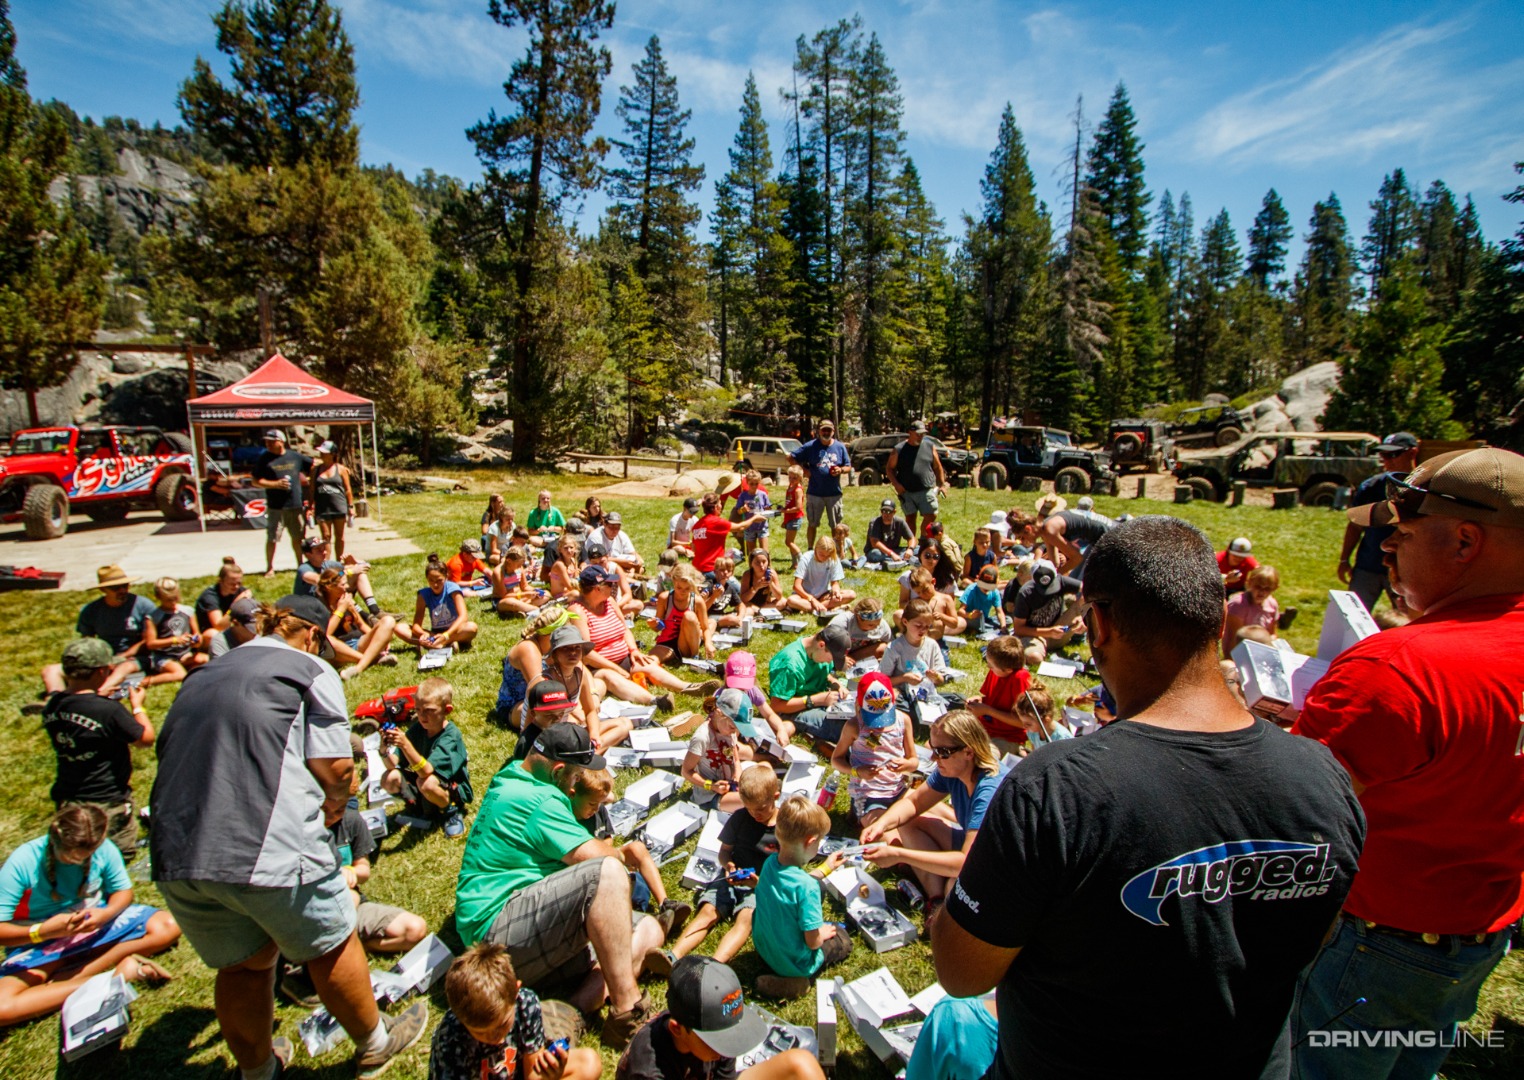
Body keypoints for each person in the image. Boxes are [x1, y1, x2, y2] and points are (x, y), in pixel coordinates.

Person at [932, 516, 1365, 1080]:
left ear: (1101, 624)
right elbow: (1320, 932)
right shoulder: (1326, 778)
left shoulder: (1053, 789)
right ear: (1217, 619)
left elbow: (962, 972)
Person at [1292, 446, 1524, 1080]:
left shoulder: (1400, 668)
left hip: (1365, 942)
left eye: (1404, 531)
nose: (1386, 549)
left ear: (1466, 541)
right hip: (1475, 941)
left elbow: (1281, 814)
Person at [151, 593, 431, 1080]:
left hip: (178, 847)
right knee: (331, 940)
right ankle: (375, 1043)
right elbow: (338, 765)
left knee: (243, 964)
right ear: (316, 635)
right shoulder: (306, 668)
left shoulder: (207, 672)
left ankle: (257, 1072)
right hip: (264, 840)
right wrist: (333, 809)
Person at [453, 724, 667, 1048]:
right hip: (494, 938)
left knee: (650, 929)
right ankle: (626, 1013)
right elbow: (600, 859)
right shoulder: (542, 801)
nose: (575, 784)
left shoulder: (512, 774)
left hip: (513, 921)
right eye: (575, 776)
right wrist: (622, 853)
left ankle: (571, 1009)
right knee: (607, 873)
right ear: (557, 771)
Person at [0, 806, 181, 1026]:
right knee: (3, 1007)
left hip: (94, 928)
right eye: (69, 858)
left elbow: (123, 892)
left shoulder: (104, 849)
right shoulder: (22, 862)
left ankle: (67, 978)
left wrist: (105, 914)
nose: (77, 862)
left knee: (168, 925)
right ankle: (117, 976)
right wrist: (43, 931)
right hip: (40, 941)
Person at [861, 710, 997, 911]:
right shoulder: (953, 768)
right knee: (908, 820)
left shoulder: (989, 790)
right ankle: (935, 899)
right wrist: (881, 824)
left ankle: (941, 896)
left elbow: (965, 862)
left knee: (955, 888)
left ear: (968, 752)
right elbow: (915, 802)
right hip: (975, 849)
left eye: (942, 752)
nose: (934, 758)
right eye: (933, 749)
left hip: (995, 866)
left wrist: (900, 854)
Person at [616, 956, 825, 1080]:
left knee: (800, 1062)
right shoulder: (648, 1072)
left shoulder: (714, 1025)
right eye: (717, 1041)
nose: (727, 1049)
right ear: (677, 1029)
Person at [42, 639, 156, 858]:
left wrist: (97, 698)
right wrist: (137, 706)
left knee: (75, 846)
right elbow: (145, 739)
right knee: (119, 853)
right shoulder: (108, 711)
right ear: (102, 671)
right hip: (107, 796)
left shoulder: (54, 704)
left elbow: (81, 711)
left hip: (68, 795)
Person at [430, 941, 602, 1080]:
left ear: (516, 991)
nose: (494, 1038)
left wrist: (550, 1075)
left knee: (589, 1063)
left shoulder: (526, 1004)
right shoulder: (451, 1036)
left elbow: (532, 1074)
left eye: (501, 1025)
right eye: (480, 1033)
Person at [669, 766, 781, 963]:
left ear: (776, 796)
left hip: (761, 885)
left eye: (761, 809)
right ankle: (672, 955)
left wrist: (758, 883)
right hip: (732, 877)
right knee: (708, 911)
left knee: (746, 918)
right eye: (749, 808)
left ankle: (715, 964)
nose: (755, 814)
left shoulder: (785, 827)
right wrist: (729, 866)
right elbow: (724, 851)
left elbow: (786, 871)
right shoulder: (740, 818)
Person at [568, 565, 714, 708]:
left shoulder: (610, 602)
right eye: (609, 584)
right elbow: (586, 654)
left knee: (647, 664)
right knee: (610, 676)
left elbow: (624, 629)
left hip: (624, 659)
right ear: (597, 589)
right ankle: (656, 701)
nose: (613, 587)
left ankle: (688, 687)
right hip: (598, 667)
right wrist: (615, 668)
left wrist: (634, 650)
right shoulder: (578, 611)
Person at [751, 795, 850, 1000]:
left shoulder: (770, 863)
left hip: (765, 948)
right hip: (794, 961)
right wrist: (821, 932)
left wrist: (826, 868)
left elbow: (792, 884)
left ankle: (780, 974)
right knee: (842, 939)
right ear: (811, 842)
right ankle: (796, 982)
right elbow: (813, 943)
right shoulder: (807, 888)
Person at [39, 565, 156, 699]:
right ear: (102, 589)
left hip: (135, 658)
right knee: (51, 670)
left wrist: (122, 657)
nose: (122, 590)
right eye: (115, 588)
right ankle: (54, 701)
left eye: (125, 585)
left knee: (124, 668)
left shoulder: (143, 606)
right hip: (102, 658)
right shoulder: (91, 611)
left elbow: (147, 641)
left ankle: (97, 695)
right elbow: (86, 642)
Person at [1338, 431, 1421, 613]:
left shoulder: (1423, 488)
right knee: (1352, 615)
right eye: (1383, 454)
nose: (1387, 460)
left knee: (1407, 618)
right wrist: (1344, 559)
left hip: (1407, 569)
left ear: (1413, 453)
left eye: (1393, 454)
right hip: (1368, 564)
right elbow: (1355, 525)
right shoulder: (1370, 487)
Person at [380, 677, 474, 837]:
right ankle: (419, 808)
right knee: (389, 778)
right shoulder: (418, 729)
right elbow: (392, 764)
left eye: (429, 710)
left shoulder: (450, 736)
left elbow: (427, 771)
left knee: (426, 783)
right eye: (418, 710)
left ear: (447, 710)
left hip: (449, 788)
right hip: (423, 782)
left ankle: (450, 812)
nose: (422, 716)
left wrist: (405, 744)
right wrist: (383, 749)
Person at [831, 673, 917, 830]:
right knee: (883, 831)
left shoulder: (903, 720)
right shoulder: (855, 726)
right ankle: (859, 815)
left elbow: (914, 761)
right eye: (873, 718)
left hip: (898, 789)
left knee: (924, 818)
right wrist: (856, 772)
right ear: (859, 704)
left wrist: (905, 764)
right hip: (868, 794)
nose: (878, 725)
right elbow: (836, 759)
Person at [765, 622, 851, 746]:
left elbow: (825, 672)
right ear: (822, 645)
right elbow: (776, 706)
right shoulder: (790, 664)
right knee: (842, 728)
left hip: (821, 699)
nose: (830, 662)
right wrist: (815, 700)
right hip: (794, 709)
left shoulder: (815, 651)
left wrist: (835, 683)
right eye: (831, 658)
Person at [681, 692, 756, 815]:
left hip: (731, 783)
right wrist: (711, 786)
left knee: (765, 769)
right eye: (733, 727)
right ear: (719, 713)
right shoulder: (702, 738)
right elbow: (686, 771)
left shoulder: (728, 729)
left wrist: (737, 769)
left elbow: (734, 752)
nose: (735, 731)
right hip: (710, 795)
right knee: (751, 801)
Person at [253, 429, 313, 578]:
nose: (268, 444)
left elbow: (313, 466)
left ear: (281, 441)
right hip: (276, 507)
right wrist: (275, 484)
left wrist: (313, 481)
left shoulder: (295, 457)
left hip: (295, 505)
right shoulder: (264, 459)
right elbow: (255, 481)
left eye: (271, 441)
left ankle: (300, 565)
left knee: (298, 538)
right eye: (266, 441)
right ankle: (269, 568)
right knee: (272, 538)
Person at [1002, 558, 1083, 668]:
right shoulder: (1025, 593)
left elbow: (1089, 590)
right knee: (1034, 658)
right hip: (1035, 636)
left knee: (1090, 601)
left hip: (1061, 630)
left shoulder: (1062, 581)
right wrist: (1048, 632)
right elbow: (1019, 629)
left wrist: (1084, 618)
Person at [395, 554, 480, 651]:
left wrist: (446, 635)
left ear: (446, 577)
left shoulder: (453, 589)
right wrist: (422, 634)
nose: (435, 584)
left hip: (454, 630)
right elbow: (416, 625)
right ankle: (439, 643)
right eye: (431, 581)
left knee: (472, 627)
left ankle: (439, 643)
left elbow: (463, 617)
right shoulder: (423, 595)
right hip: (435, 633)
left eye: (439, 580)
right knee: (399, 628)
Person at [790, 419, 852, 550]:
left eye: (829, 430)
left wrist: (840, 470)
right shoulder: (810, 446)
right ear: (819, 431)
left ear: (833, 431)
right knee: (812, 524)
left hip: (834, 493)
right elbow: (791, 457)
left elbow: (848, 466)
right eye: (823, 430)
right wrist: (804, 471)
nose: (826, 432)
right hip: (815, 493)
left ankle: (836, 550)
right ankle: (810, 549)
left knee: (835, 525)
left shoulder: (839, 447)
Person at [964, 635, 1034, 751]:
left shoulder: (1020, 679)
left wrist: (987, 710)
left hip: (1007, 737)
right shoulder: (997, 672)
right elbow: (990, 699)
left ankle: (1019, 752)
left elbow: (1023, 722)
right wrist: (978, 701)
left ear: (1008, 670)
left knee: (982, 757)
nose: (988, 667)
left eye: (991, 666)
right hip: (984, 728)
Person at [887, 420, 948, 540]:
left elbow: (937, 467)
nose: (920, 436)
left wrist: (942, 484)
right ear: (910, 432)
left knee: (931, 514)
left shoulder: (929, 446)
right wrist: (896, 485)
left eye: (923, 434)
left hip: (926, 489)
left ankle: (923, 539)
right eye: (918, 433)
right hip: (906, 491)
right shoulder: (899, 449)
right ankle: (912, 543)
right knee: (910, 518)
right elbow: (889, 469)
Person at [141, 575, 203, 686]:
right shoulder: (153, 617)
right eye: (169, 600)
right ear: (158, 597)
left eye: (176, 598)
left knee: (209, 661)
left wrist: (196, 641)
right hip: (164, 656)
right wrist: (175, 640)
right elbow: (150, 644)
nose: (173, 602)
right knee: (180, 675)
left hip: (185, 654)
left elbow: (197, 634)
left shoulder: (187, 611)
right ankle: (145, 682)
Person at [650, 564, 716, 663]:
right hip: (668, 641)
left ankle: (695, 655)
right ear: (673, 581)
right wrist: (653, 625)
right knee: (648, 661)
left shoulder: (697, 601)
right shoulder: (664, 598)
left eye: (687, 588)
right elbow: (658, 627)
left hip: (688, 642)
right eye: (679, 587)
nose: (683, 592)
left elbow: (705, 627)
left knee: (689, 616)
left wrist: (708, 643)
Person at [692, 493, 767, 576]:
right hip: (713, 569)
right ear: (716, 507)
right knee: (738, 589)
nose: (721, 506)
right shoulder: (716, 522)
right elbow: (740, 527)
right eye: (720, 503)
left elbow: (694, 548)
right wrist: (754, 518)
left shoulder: (697, 525)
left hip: (697, 569)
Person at [1037, 500, 1114, 577]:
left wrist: (1055, 575)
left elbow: (1077, 558)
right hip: (1098, 539)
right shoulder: (1051, 526)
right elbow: (1055, 562)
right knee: (1076, 578)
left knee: (1085, 580)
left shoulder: (1051, 529)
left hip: (1111, 539)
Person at [1221, 565, 1281, 657]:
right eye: (1258, 587)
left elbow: (1272, 634)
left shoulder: (1272, 604)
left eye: (1267, 589)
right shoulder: (1239, 605)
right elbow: (1233, 640)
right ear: (1249, 583)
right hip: (1241, 652)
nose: (1262, 592)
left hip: (1263, 652)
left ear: (1275, 588)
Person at [786, 536, 855, 613]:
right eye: (822, 554)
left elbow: (835, 583)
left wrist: (836, 590)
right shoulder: (806, 558)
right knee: (791, 600)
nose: (824, 558)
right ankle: (826, 607)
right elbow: (796, 586)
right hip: (804, 596)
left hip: (823, 594)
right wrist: (811, 599)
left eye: (828, 555)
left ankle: (812, 608)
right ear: (816, 549)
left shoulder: (833, 559)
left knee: (851, 594)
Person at [313, 440, 356, 558]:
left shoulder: (341, 469)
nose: (322, 454)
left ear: (333, 454)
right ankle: (327, 561)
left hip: (338, 506)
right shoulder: (315, 470)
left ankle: (339, 559)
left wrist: (350, 506)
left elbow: (348, 489)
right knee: (326, 535)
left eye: (325, 452)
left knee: (339, 535)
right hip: (322, 507)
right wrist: (310, 506)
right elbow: (312, 489)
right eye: (321, 452)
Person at [196, 557, 250, 638]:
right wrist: (236, 605)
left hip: (233, 630)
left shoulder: (241, 591)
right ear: (220, 581)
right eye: (232, 584)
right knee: (212, 634)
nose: (236, 586)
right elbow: (218, 626)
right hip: (211, 636)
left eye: (239, 583)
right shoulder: (209, 597)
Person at [830, 596, 892, 662]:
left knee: (883, 648)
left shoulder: (882, 626)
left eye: (878, 623)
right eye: (870, 625)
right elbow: (825, 641)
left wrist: (885, 657)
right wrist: (841, 657)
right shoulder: (842, 622)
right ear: (859, 617)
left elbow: (891, 644)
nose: (876, 627)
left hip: (859, 653)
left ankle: (852, 661)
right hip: (839, 652)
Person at [957, 565, 1006, 635]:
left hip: (984, 618)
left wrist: (1003, 626)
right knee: (977, 623)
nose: (986, 589)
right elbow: (960, 611)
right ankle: (986, 628)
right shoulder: (971, 589)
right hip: (970, 618)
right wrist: (970, 615)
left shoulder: (995, 592)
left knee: (1007, 619)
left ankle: (988, 628)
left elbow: (999, 612)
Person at [593, 512, 644, 576]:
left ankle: (630, 578)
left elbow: (633, 553)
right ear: (604, 524)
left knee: (640, 568)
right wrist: (625, 563)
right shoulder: (596, 537)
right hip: (600, 567)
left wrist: (639, 561)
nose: (614, 530)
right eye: (611, 527)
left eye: (617, 528)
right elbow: (599, 560)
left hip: (619, 565)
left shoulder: (621, 535)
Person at [736, 550, 782, 620]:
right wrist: (756, 587)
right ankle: (763, 612)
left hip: (765, 604)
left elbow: (779, 597)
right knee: (745, 607)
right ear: (751, 564)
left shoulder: (771, 573)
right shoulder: (747, 575)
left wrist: (771, 584)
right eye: (757, 562)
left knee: (783, 602)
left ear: (768, 562)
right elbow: (743, 599)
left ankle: (759, 611)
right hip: (751, 604)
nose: (761, 565)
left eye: (764, 562)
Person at [866, 498, 914, 564]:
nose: (886, 514)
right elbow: (875, 543)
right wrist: (891, 554)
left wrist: (910, 549)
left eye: (889, 511)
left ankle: (898, 560)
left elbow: (911, 538)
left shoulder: (900, 522)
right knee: (875, 554)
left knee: (918, 548)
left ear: (894, 512)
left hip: (894, 550)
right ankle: (904, 560)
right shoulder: (874, 522)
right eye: (884, 511)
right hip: (879, 551)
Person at [703, 555, 744, 629]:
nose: (725, 573)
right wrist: (714, 596)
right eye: (722, 570)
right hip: (708, 617)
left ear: (732, 573)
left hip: (720, 616)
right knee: (731, 619)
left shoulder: (729, 587)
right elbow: (701, 609)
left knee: (747, 611)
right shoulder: (709, 585)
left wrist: (740, 617)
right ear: (715, 571)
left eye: (729, 570)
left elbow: (741, 605)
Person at [780, 466, 806, 568]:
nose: (791, 480)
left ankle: (802, 559)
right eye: (790, 477)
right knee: (791, 541)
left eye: (794, 478)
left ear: (800, 478)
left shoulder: (797, 490)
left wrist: (785, 511)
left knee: (788, 542)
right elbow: (790, 503)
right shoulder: (790, 487)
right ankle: (795, 563)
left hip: (795, 518)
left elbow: (798, 507)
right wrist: (784, 509)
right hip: (789, 518)